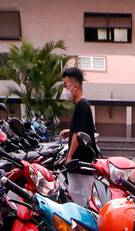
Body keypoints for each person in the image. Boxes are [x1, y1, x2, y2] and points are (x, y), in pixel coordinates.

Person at [61, 66, 97, 207]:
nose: (64, 89)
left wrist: (69, 156)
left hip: (82, 160)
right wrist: (69, 132)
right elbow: (78, 129)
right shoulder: (80, 105)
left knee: (90, 195)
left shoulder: (82, 105)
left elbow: (79, 133)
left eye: (65, 85)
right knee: (74, 190)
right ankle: (84, 218)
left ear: (75, 86)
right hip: (77, 161)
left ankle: (95, 221)